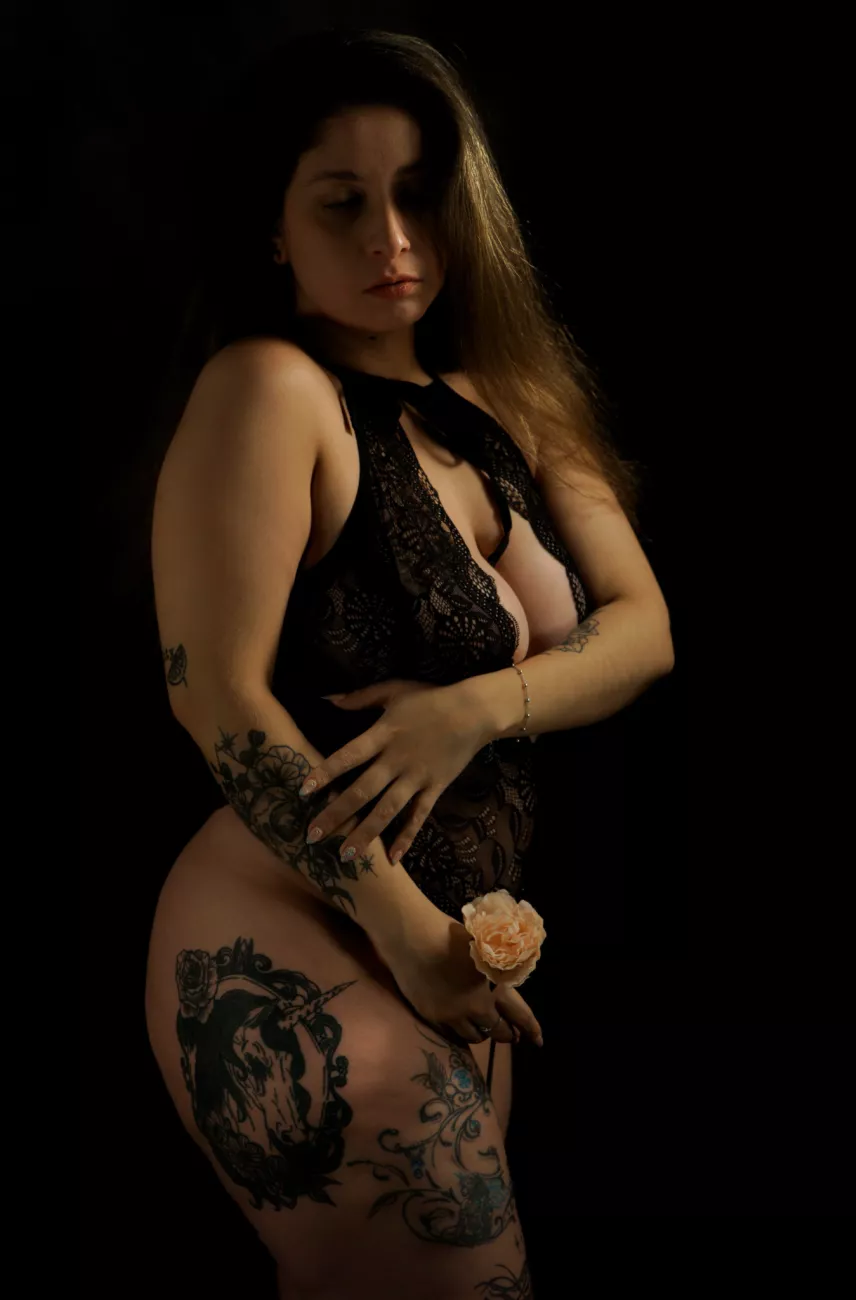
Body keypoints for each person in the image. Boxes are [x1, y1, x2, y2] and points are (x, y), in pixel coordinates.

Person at [145, 27, 671, 1300]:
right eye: (342, 202)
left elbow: (644, 628)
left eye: (418, 195)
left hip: (449, 942)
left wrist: (471, 711)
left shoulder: (513, 401)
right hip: (297, 916)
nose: (392, 237)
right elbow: (213, 692)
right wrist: (401, 924)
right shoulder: (272, 388)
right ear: (275, 231)